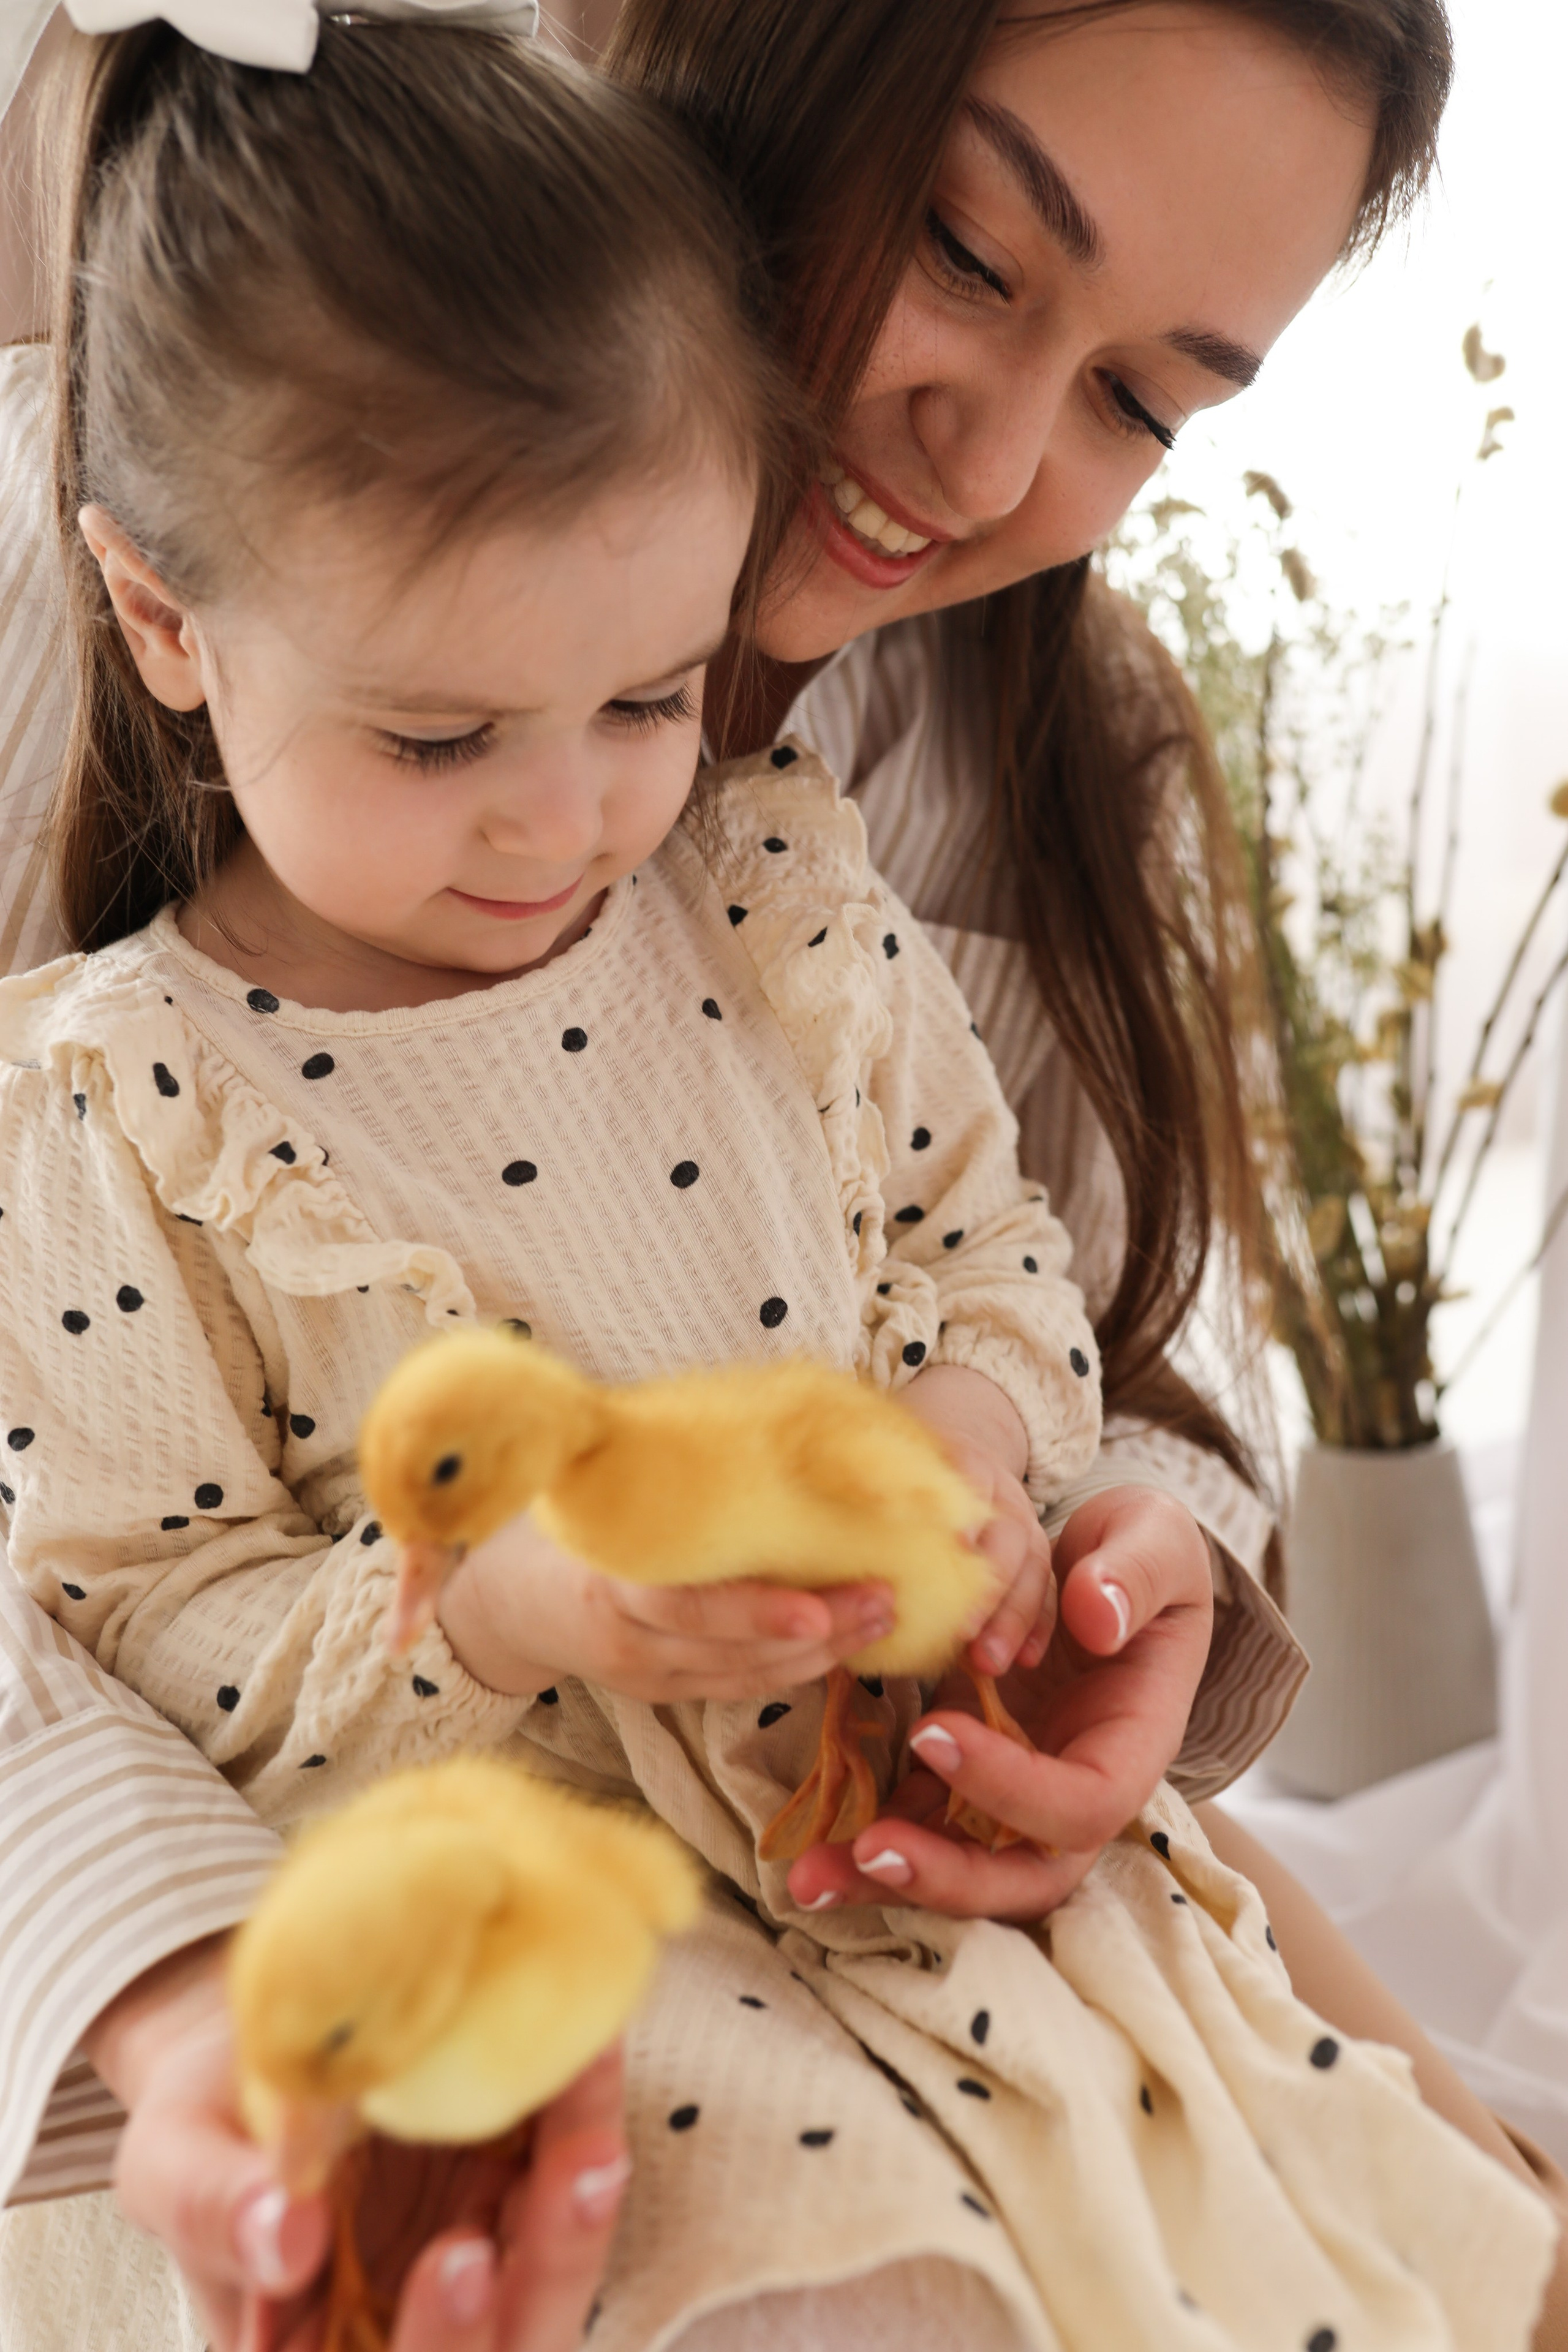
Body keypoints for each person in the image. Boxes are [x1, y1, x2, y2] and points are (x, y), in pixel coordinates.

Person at [0, 0, 1560, 2340]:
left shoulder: (865, 850)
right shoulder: (125, 1023)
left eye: (1147, 401)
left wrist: (1101, 1544)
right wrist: (181, 1972)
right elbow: (108, 1567)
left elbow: (1048, 1313)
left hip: (914, 1869)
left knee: (1416, 2206)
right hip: (419, 1917)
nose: (995, 454)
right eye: (967, 250)